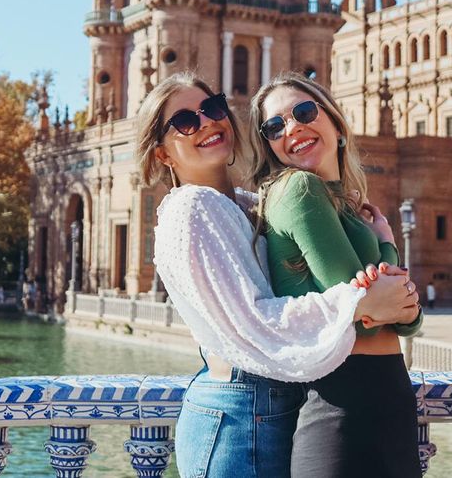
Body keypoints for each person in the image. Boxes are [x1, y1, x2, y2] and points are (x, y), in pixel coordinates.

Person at [136, 72, 421, 478]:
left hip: (272, 407)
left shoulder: (246, 205)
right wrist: (357, 301)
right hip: (238, 416)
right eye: (185, 122)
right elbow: (254, 323)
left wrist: (379, 285)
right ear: (163, 155)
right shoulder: (191, 211)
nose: (206, 122)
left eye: (212, 108)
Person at [250, 72, 423, 478]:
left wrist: (398, 309)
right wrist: (387, 244)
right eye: (275, 126)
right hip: (342, 405)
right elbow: (360, 312)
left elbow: (409, 318)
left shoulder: (344, 203)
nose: (293, 127)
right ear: (270, 145)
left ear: (336, 123)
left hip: (386, 401)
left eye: (304, 112)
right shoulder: (300, 190)